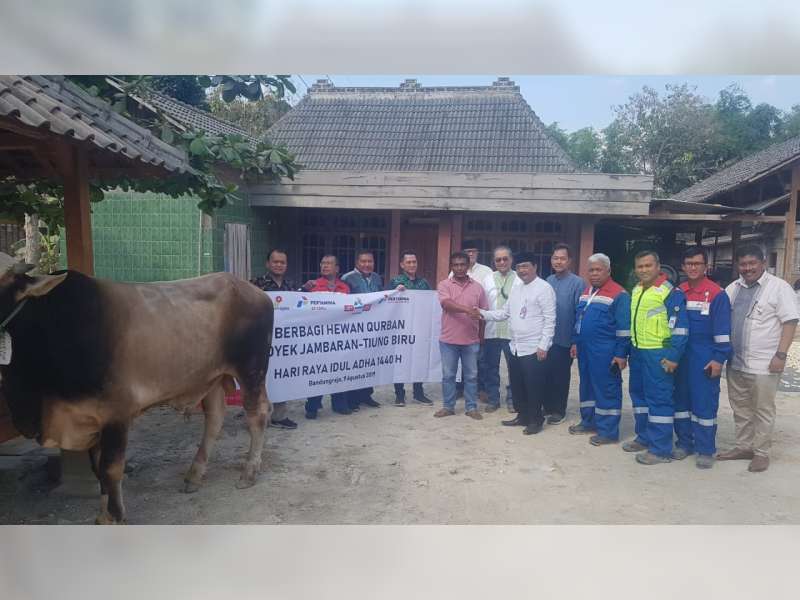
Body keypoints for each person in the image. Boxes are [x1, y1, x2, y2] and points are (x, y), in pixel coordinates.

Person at [720, 244, 799, 472]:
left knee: (762, 409)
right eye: (743, 264)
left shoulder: (779, 288)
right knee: (741, 408)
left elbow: (790, 321)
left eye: (752, 263)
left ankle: (761, 452)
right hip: (736, 361)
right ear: (738, 265)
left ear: (763, 263)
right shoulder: (732, 288)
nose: (748, 268)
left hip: (765, 362)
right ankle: (744, 447)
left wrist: (781, 355)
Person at [478, 251, 556, 435]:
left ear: (535, 267)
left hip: (534, 347)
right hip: (515, 346)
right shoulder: (517, 288)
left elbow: (550, 319)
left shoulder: (544, 288)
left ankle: (536, 420)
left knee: (533, 386)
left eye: (526, 266)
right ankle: (523, 416)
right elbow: (504, 313)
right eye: (519, 267)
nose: (522, 270)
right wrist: (481, 313)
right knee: (518, 384)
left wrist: (544, 345)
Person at [624, 250, 689, 465]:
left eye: (648, 265)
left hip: (658, 354)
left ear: (658, 267)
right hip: (638, 351)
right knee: (639, 396)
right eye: (640, 266)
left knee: (659, 400)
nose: (643, 270)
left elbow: (680, 328)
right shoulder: (637, 289)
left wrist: (673, 356)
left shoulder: (670, 292)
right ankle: (644, 437)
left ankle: (660, 449)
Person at [672, 247, 732, 469]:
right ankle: (684, 443)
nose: (693, 267)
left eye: (697, 263)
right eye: (689, 263)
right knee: (681, 401)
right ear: (683, 266)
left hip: (705, 357)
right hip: (681, 356)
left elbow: (723, 332)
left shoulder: (717, 294)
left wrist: (719, 358)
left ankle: (705, 449)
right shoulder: (678, 291)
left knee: (704, 402)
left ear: (706, 266)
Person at [568, 253, 630, 446]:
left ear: (608, 271)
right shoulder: (587, 292)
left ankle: (608, 431)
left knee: (606, 389)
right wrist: (575, 342)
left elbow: (624, 329)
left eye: (598, 270)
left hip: (606, 351)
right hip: (585, 349)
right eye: (591, 270)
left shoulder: (619, 294)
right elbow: (579, 319)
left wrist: (621, 354)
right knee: (586, 386)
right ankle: (589, 422)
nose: (594, 274)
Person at [435, 251, 489, 420]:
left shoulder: (478, 287)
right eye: (455, 265)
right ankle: (448, 406)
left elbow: (483, 313)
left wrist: (481, 336)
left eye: (462, 264)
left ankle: (471, 407)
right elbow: (446, 304)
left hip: (471, 340)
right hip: (448, 340)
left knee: (471, 376)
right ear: (451, 266)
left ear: (468, 266)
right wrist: (467, 310)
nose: (459, 268)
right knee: (448, 375)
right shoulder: (444, 285)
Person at [250, 248, 298, 430]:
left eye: (282, 262)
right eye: (275, 262)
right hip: (261, 340)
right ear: (267, 264)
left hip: (285, 342)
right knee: (259, 378)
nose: (279, 265)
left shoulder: (292, 286)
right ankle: (256, 416)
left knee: (281, 376)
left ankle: (279, 415)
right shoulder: (255, 284)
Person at [304, 255, 351, 419]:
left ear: (337, 268)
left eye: (329, 263)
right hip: (318, 337)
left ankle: (339, 404)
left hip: (339, 338)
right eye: (323, 263)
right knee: (318, 371)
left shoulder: (345, 287)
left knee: (339, 370)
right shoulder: (312, 286)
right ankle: (312, 406)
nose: (325, 266)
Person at [544, 243, 585, 424]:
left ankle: (559, 410)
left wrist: (575, 341)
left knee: (560, 376)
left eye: (562, 258)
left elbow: (580, 314)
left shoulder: (577, 283)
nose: (558, 261)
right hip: (548, 338)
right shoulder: (548, 280)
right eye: (555, 258)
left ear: (569, 261)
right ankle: (547, 406)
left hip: (565, 338)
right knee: (546, 373)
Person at [387, 250, 433, 406]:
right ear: (402, 264)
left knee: (419, 359)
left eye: (414, 262)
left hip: (419, 327)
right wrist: (395, 292)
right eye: (409, 262)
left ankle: (418, 393)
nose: (412, 265)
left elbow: (431, 302)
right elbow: (386, 301)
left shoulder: (423, 283)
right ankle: (399, 395)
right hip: (401, 328)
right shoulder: (395, 282)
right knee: (400, 361)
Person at [480, 245, 521, 413]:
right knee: (491, 367)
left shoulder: (519, 278)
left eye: (505, 259)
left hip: (513, 332)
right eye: (498, 259)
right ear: (494, 261)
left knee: (514, 367)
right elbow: (482, 302)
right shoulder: (487, 279)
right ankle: (493, 399)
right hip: (492, 330)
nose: (502, 262)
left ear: (511, 260)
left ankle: (513, 399)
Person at [341, 250, 384, 410]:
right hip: (354, 328)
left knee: (369, 362)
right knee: (354, 363)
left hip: (372, 327)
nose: (367, 264)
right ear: (357, 263)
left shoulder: (377, 278)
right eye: (363, 261)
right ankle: (352, 399)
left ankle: (366, 395)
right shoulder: (347, 278)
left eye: (370, 261)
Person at [454, 243, 493, 401]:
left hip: (480, 319)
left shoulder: (486, 271)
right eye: (467, 251)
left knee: (480, 358)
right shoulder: (454, 272)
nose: (470, 254)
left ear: (477, 252)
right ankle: (460, 388)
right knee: (460, 358)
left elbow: (488, 296)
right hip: (459, 321)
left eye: (473, 251)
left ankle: (481, 389)